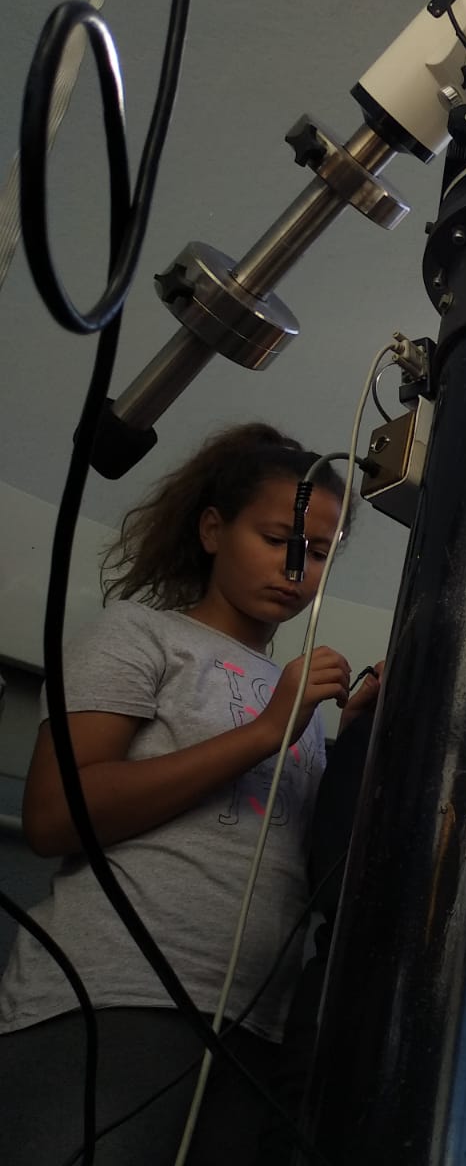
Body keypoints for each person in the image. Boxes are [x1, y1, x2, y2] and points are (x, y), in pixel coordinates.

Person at [0, 423, 376, 1165]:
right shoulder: (138, 634)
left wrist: (361, 742)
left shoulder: (294, 696)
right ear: (212, 530)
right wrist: (266, 730)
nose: (296, 568)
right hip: (117, 993)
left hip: (256, 1027)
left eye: (318, 552)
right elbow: (53, 814)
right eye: (277, 539)